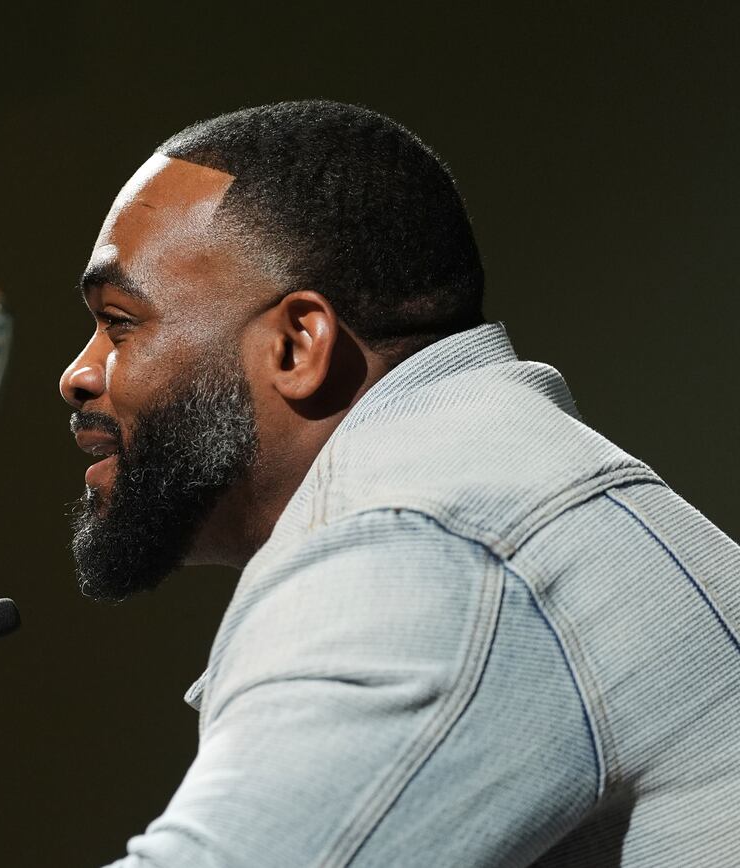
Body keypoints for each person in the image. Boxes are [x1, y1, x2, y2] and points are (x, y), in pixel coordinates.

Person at [60, 100, 740, 867]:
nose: (77, 376)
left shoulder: (422, 545)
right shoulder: (484, 479)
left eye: (119, 322)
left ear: (297, 345)